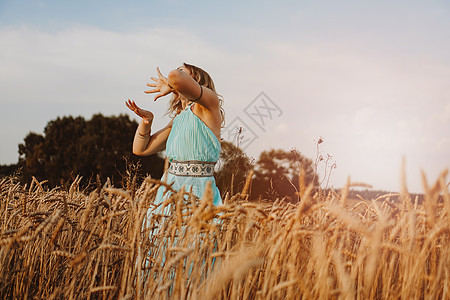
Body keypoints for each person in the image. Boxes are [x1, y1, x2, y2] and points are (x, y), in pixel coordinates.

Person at [125, 63, 224, 208]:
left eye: (182, 70)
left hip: (199, 192)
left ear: (196, 78)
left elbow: (175, 77)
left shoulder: (209, 104)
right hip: (169, 192)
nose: (171, 78)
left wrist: (171, 85)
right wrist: (147, 122)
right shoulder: (178, 120)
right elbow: (140, 149)